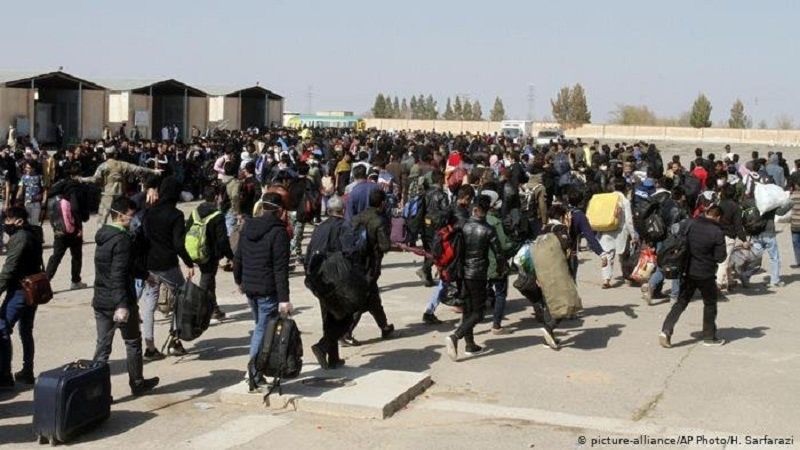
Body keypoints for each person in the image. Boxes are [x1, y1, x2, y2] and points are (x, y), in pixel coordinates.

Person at [92, 197, 159, 396]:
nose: (134, 220)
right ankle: (137, 382)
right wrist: (122, 304)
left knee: (103, 345)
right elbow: (118, 274)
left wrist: (145, 275)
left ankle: (98, 392)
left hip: (101, 299)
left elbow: (126, 268)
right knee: (132, 341)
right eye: (131, 216)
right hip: (119, 301)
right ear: (120, 216)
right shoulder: (122, 240)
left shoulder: (103, 235)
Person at [233, 192, 292, 390]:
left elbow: (238, 256)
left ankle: (258, 368)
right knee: (261, 329)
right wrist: (284, 299)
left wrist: (238, 279)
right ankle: (254, 372)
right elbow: (280, 268)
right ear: (280, 210)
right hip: (267, 289)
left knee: (260, 326)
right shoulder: (279, 232)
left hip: (250, 286)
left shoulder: (248, 226)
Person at [444, 195, 504, 361]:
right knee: (478, 313)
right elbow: (498, 254)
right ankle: (456, 336)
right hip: (477, 273)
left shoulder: (462, 226)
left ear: (475, 208)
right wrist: (501, 270)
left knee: (468, 309)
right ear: (487, 210)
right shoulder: (488, 230)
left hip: (462, 272)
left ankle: (470, 344)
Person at [141, 177, 195, 358]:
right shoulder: (176, 214)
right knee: (181, 297)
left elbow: (143, 237)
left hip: (150, 263)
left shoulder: (149, 211)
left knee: (150, 303)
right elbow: (179, 244)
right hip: (167, 263)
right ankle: (175, 340)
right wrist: (188, 262)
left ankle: (149, 345)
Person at [660, 206, 727, 348]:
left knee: (681, 302)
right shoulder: (717, 232)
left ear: (706, 213)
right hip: (706, 273)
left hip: (688, 270)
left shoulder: (691, 223)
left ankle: (666, 329)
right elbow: (721, 258)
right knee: (709, 303)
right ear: (718, 217)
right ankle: (709, 336)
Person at [305, 195, 353, 369]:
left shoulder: (319, 228)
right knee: (346, 317)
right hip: (336, 280)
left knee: (328, 318)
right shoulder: (344, 226)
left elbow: (309, 252)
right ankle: (324, 345)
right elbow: (350, 252)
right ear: (342, 210)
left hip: (318, 279)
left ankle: (333, 358)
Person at [342, 189, 394, 346]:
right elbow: (385, 246)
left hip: (355, 263)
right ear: (382, 203)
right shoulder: (379, 220)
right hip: (370, 265)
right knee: (362, 299)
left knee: (373, 298)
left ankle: (384, 326)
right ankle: (346, 332)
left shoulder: (358, 217)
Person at [0, 207, 44, 389]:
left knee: (1, 328)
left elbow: (9, 269)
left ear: (18, 221)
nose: (5, 225)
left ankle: (4, 375)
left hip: (20, 289)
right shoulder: (34, 232)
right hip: (32, 288)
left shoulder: (20, 238)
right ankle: (27, 371)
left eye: (8, 221)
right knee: (26, 330)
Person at [185, 186, 234, 323]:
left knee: (209, 281)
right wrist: (230, 256)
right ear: (217, 197)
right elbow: (222, 239)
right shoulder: (217, 215)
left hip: (196, 251)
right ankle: (200, 313)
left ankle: (213, 309)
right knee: (206, 282)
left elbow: (187, 231)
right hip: (210, 254)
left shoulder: (195, 212)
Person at [80, 146, 160, 226]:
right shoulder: (122, 165)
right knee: (121, 217)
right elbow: (138, 169)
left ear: (105, 155)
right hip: (120, 194)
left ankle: (102, 236)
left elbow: (95, 179)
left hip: (107, 195)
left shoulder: (103, 166)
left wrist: (81, 179)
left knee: (102, 219)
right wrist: (153, 171)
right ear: (115, 155)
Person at [45, 165, 89, 290]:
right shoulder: (75, 188)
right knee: (76, 255)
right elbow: (75, 208)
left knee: (56, 256)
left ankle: (46, 281)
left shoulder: (61, 186)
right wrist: (79, 227)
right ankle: (75, 281)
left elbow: (49, 194)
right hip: (73, 228)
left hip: (59, 227)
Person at [17, 161, 45, 226]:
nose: (26, 169)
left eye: (28, 168)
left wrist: (44, 201)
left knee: (34, 222)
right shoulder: (23, 177)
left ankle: (35, 235)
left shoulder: (39, 177)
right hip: (26, 202)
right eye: (26, 168)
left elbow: (45, 190)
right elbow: (20, 190)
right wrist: (17, 199)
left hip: (36, 203)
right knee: (27, 222)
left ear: (33, 168)